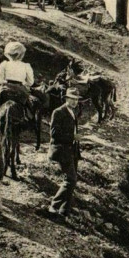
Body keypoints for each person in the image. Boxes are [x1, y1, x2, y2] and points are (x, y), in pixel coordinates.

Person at [44, 87, 81, 222]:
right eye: (72, 99)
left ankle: (64, 211)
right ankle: (54, 206)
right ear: (66, 99)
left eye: (76, 99)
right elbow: (54, 134)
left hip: (71, 150)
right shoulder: (58, 112)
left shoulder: (72, 112)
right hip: (61, 150)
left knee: (72, 179)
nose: (74, 102)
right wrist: (73, 137)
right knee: (71, 179)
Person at [0, 41, 34, 117]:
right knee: (28, 106)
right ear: (21, 54)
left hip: (6, 88)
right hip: (20, 89)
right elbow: (30, 82)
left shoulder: (4, 64)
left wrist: (5, 82)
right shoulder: (26, 66)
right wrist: (24, 83)